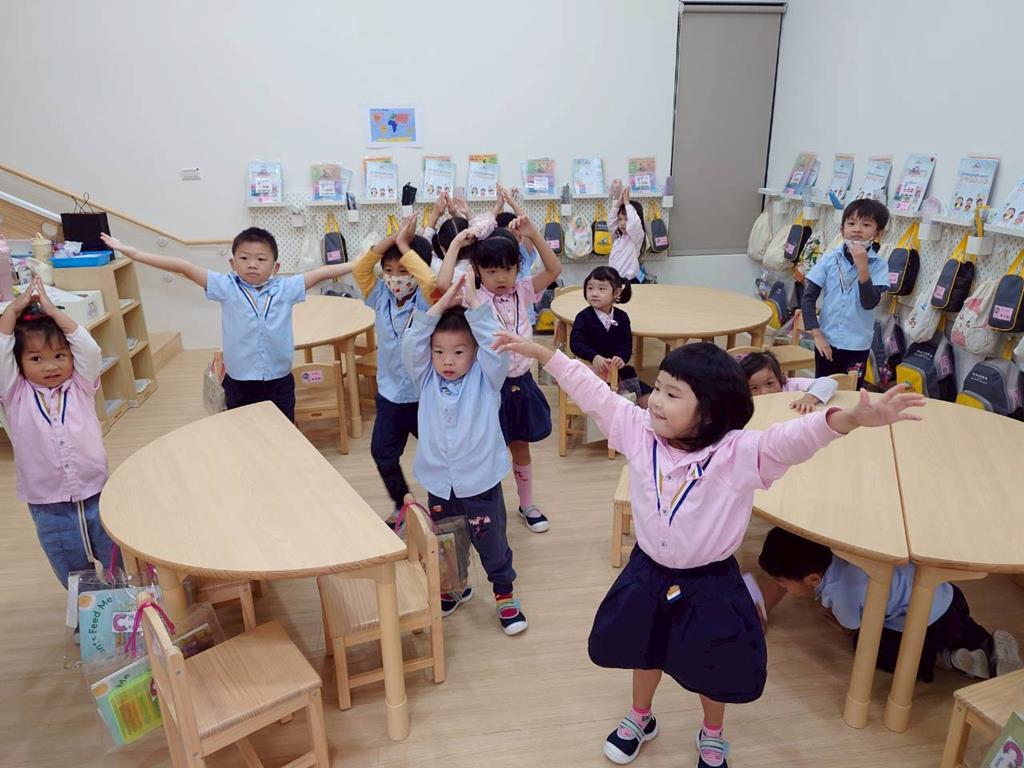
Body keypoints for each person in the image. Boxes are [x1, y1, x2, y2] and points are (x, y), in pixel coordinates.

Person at [490, 332, 924, 768]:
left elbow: (791, 439)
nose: (655, 401)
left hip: (710, 582)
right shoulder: (639, 431)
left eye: (672, 394)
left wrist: (849, 419)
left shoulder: (737, 454)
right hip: (649, 570)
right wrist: (545, 354)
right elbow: (594, 393)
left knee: (713, 662)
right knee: (644, 648)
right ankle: (641, 716)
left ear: (710, 411)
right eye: (658, 388)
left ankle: (712, 732)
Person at [101, 229, 354, 421]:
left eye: (261, 259)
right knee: (242, 430)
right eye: (244, 258)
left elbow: (323, 272)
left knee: (283, 430)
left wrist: (361, 262)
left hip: (279, 379)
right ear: (233, 263)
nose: (252, 264)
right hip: (240, 381)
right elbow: (182, 266)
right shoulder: (226, 287)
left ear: (275, 266)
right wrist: (133, 253)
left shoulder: (286, 288)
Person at [401, 274, 527, 635]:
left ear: (475, 352)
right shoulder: (426, 378)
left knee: (491, 540)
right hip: (441, 482)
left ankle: (504, 593)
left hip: (479, 480)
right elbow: (412, 344)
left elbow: (495, 344)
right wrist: (440, 306)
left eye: (459, 352)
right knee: (447, 539)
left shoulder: (487, 378)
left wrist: (475, 306)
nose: (447, 360)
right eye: (439, 352)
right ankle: (454, 587)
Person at [757, 527, 1023, 682]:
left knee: (869, 645)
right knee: (961, 626)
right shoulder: (846, 549)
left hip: (927, 627)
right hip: (950, 597)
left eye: (782, 583)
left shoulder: (841, 595)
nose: (781, 587)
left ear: (813, 579)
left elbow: (853, 626)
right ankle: (988, 645)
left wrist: (846, 630)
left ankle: (946, 659)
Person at [442, 217, 562, 533]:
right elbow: (441, 286)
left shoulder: (523, 290)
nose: (501, 277)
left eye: (508, 269)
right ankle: (485, 510)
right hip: (488, 388)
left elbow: (554, 270)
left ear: (517, 268)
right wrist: (457, 244)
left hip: (521, 383)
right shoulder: (473, 296)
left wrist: (533, 234)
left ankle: (527, 503)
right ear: (478, 270)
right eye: (492, 271)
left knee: (520, 448)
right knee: (485, 453)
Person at [0, 277, 114, 587]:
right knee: (71, 567)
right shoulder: (14, 393)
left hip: (95, 491)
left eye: (59, 356)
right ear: (19, 363)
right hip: (48, 503)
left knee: (114, 555)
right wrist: (12, 311)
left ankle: (125, 604)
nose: (50, 366)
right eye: (36, 359)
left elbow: (89, 349)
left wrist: (52, 311)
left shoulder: (80, 385)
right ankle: (88, 609)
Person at [353, 216, 435, 521]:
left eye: (403, 271)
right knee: (383, 453)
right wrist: (393, 239)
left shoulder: (426, 300)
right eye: (388, 271)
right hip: (390, 395)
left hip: (425, 396)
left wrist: (404, 245)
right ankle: (403, 506)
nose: (395, 278)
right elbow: (360, 269)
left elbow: (431, 282)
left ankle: (444, 508)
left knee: (438, 455)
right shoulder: (379, 295)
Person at [799, 199, 890, 385]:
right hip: (826, 341)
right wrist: (817, 335)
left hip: (857, 345)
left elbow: (869, 303)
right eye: (851, 223)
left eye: (866, 225)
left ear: (878, 232)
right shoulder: (830, 259)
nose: (857, 229)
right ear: (842, 229)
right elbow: (808, 298)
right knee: (823, 389)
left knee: (850, 392)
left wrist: (863, 267)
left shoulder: (879, 265)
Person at [570, 266, 651, 406]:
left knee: (649, 398)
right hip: (592, 372)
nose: (594, 293)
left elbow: (626, 345)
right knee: (611, 402)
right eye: (590, 288)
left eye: (601, 289)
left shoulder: (622, 317)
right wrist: (594, 357)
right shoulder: (583, 317)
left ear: (616, 292)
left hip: (618, 371)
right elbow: (576, 343)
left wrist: (621, 358)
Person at [738, 350, 838, 413]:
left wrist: (807, 399)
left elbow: (829, 382)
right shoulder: (744, 399)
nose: (764, 392)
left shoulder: (789, 385)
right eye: (754, 388)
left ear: (780, 378)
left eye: (769, 383)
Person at [608, 183, 646, 283]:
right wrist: (618, 204)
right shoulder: (619, 238)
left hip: (629, 281)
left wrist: (627, 204)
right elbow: (611, 223)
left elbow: (634, 224)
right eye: (620, 219)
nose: (622, 223)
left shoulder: (636, 237)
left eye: (626, 219)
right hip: (615, 280)